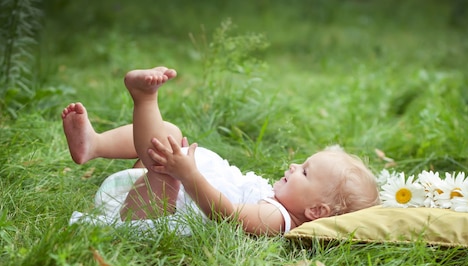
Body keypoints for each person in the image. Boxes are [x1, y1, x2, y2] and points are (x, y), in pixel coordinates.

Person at [62, 66, 380, 236]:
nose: (295, 166)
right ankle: (95, 145)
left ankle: (144, 98)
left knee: (163, 158)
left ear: (316, 212)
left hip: (152, 214)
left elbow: (225, 216)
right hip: (163, 196)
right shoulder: (280, 202)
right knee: (168, 135)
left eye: (306, 172)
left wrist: (188, 175)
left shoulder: (276, 218)